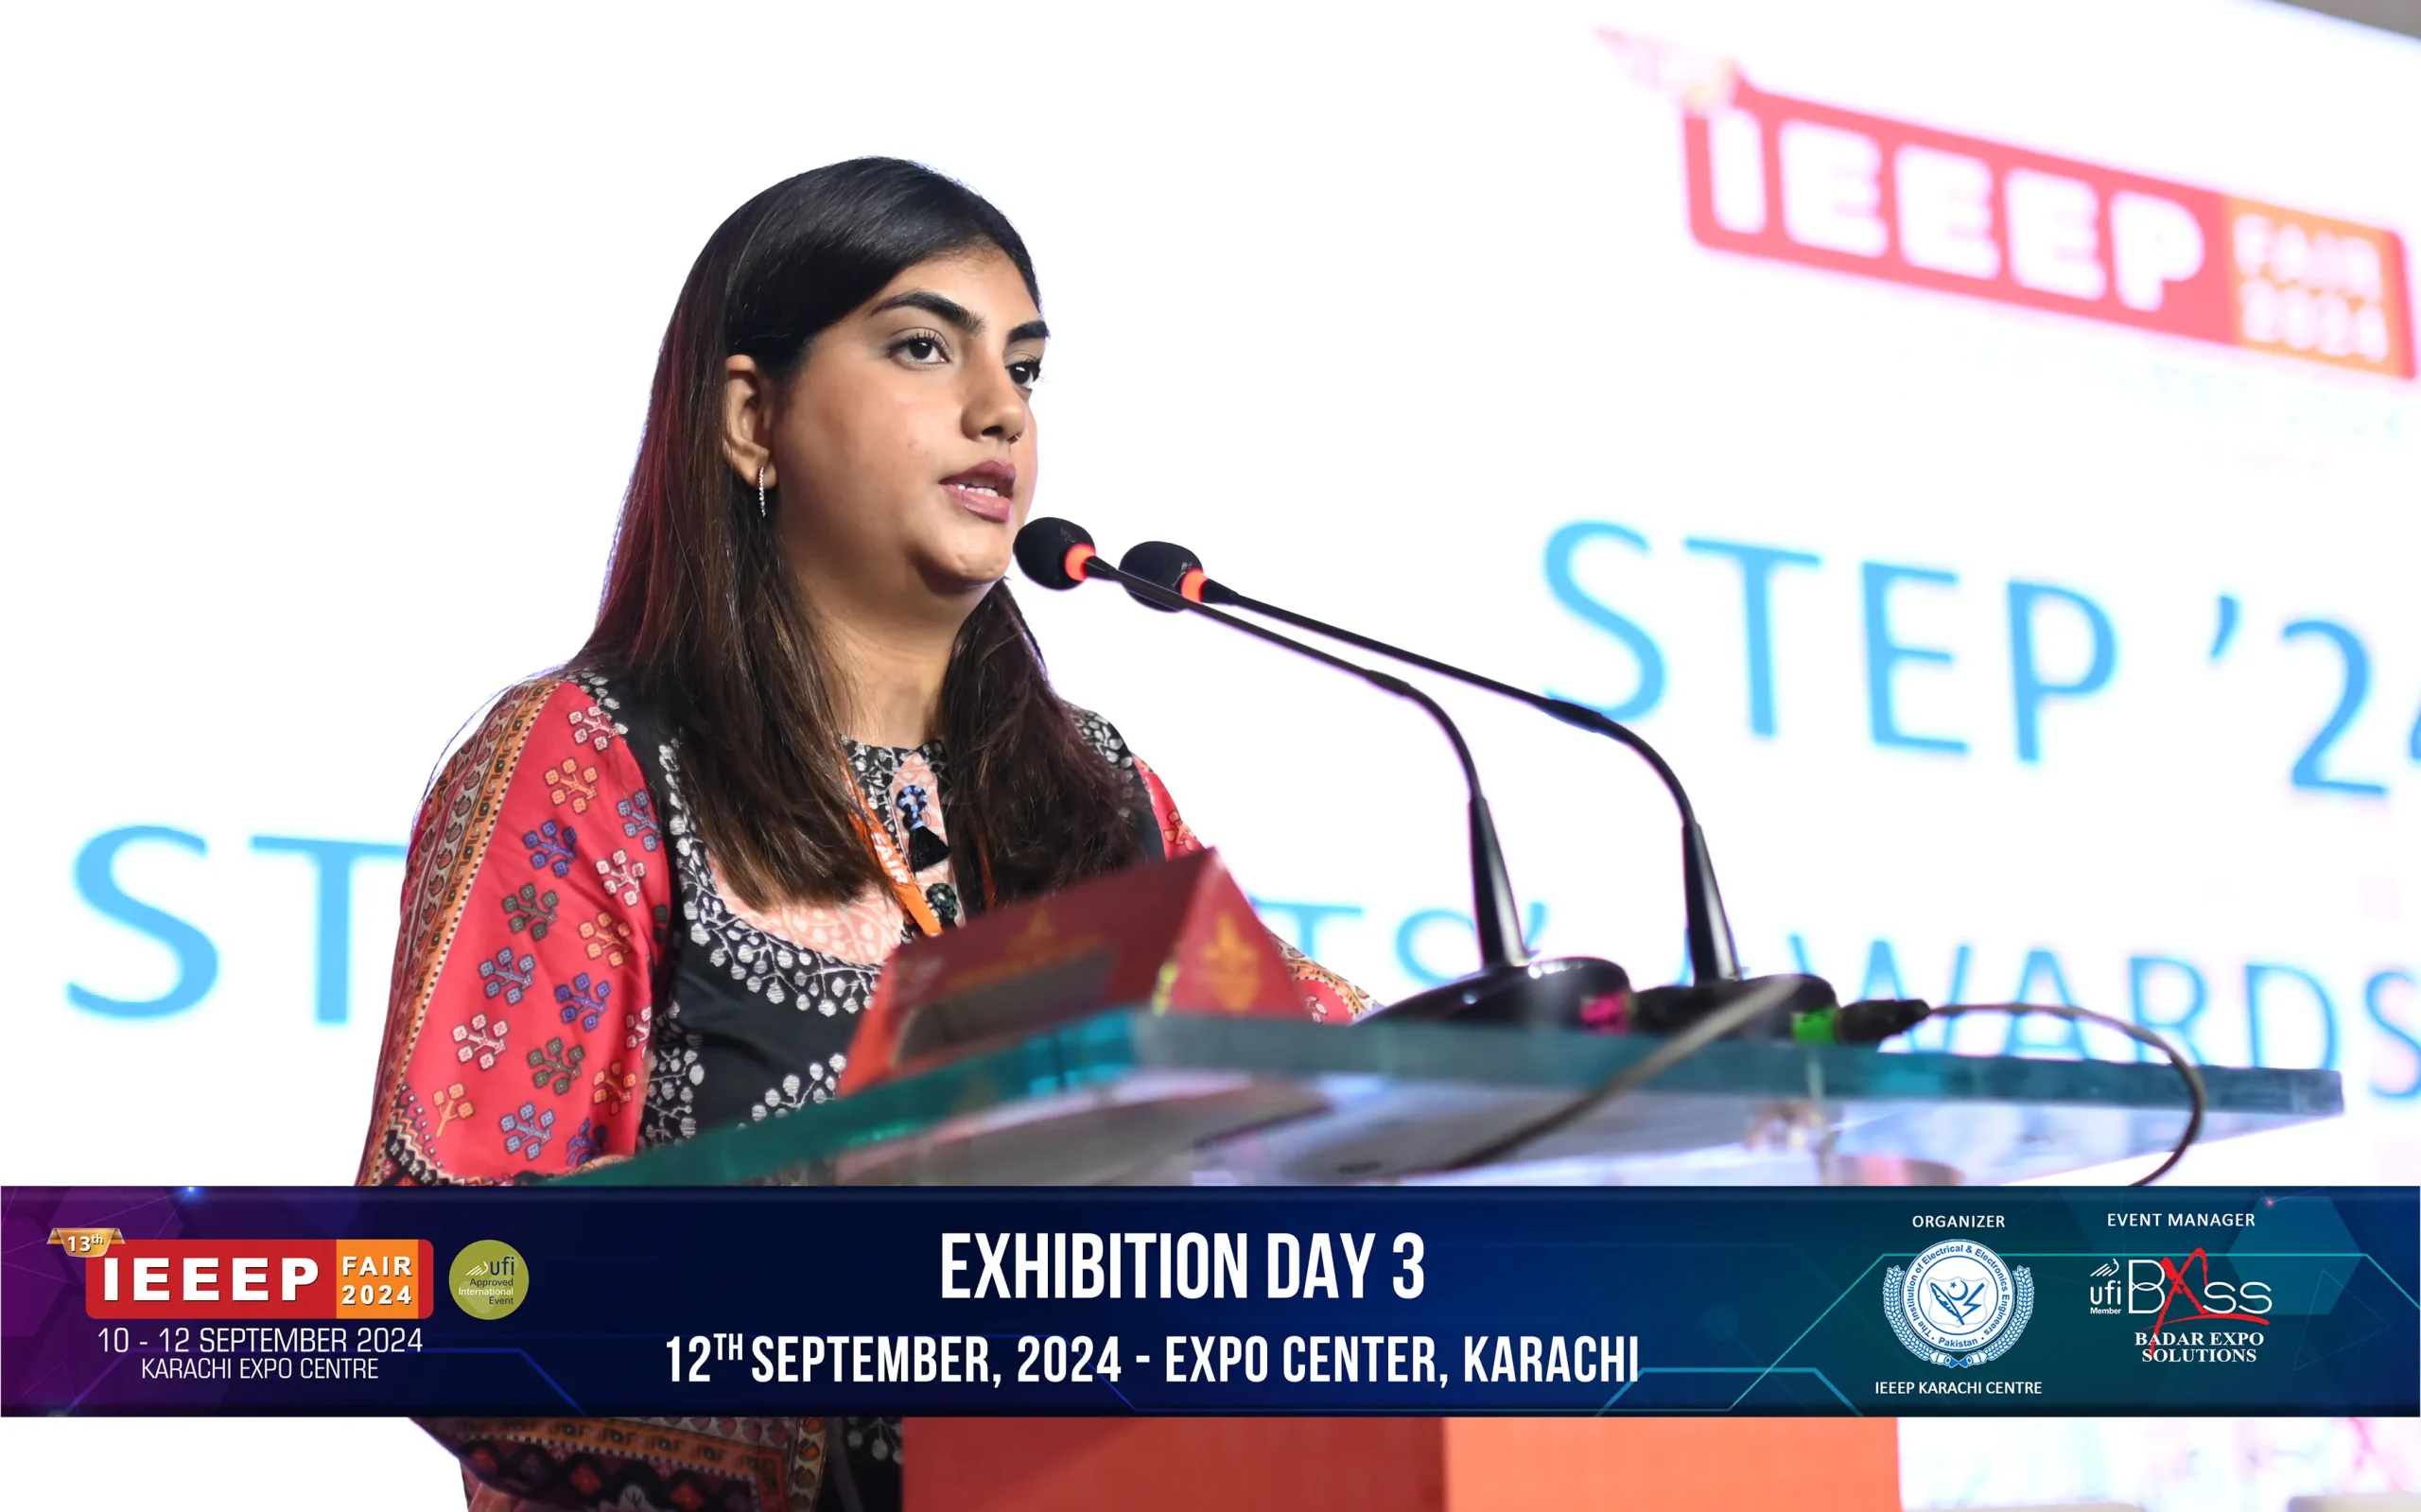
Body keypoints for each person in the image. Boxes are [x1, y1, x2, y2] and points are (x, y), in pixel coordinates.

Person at [356, 157, 1369, 1512]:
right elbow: (438, 1276)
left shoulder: (1098, 792)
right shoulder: (590, 761)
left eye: (1025, 368)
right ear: (752, 417)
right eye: (922, 348)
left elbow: (1326, 1078)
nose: (1002, 409)